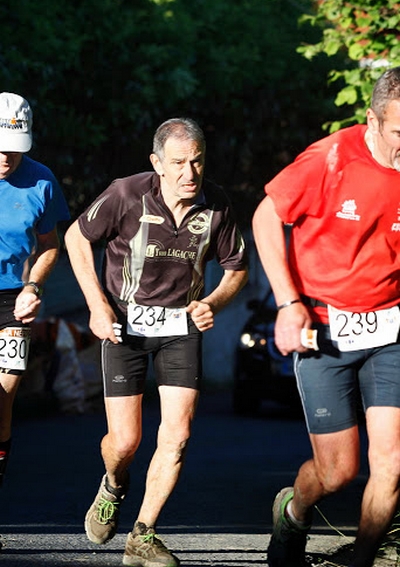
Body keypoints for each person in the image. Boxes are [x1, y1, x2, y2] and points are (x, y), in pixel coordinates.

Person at [64, 117, 248, 567]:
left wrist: (215, 303)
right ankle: (113, 482)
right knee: (125, 442)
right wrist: (97, 306)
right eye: (179, 163)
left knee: (178, 436)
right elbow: (75, 236)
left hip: (179, 330)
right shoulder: (126, 194)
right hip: (124, 327)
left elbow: (237, 267)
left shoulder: (217, 205)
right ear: (157, 164)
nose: (190, 173)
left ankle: (142, 535)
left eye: (198, 162)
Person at [252, 66, 400, 567]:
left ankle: (360, 560)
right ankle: (294, 511)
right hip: (323, 328)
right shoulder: (331, 158)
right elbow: (265, 216)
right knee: (337, 471)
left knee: (391, 466)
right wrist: (288, 302)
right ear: (373, 121)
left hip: (390, 330)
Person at [0, 92, 70, 488]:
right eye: (0, 148)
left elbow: (49, 246)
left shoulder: (41, 180)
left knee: (2, 400)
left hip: (13, 301)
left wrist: (33, 287)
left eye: (16, 149)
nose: (7, 158)